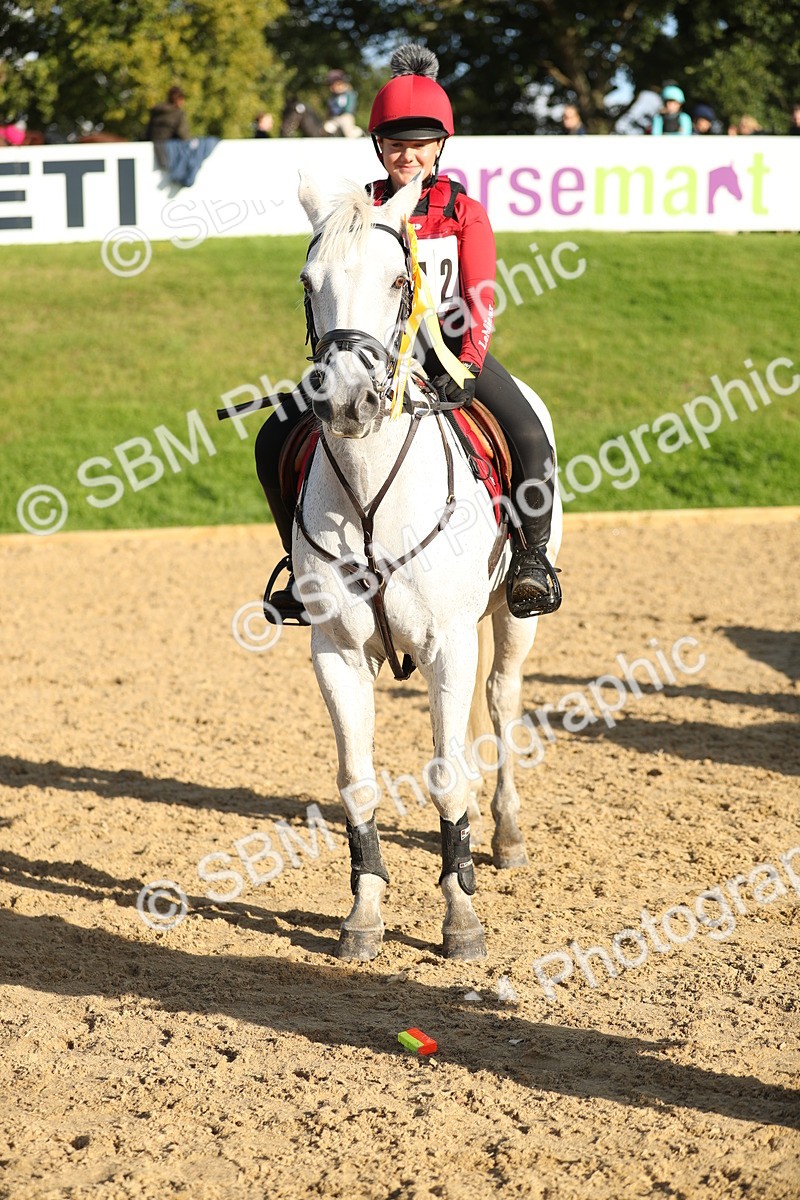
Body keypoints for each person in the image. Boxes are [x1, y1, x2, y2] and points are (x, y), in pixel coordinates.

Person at [255, 44, 561, 622]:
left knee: (528, 434)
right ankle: (301, 568)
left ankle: (532, 559)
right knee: (272, 437)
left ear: (439, 147)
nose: (407, 155)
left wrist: (468, 364)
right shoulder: (359, 210)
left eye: (419, 144)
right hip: (371, 355)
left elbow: (480, 297)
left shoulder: (463, 212)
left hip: (449, 350)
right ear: (379, 146)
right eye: (395, 144)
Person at [323, 69, 362, 138]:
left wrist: (339, 110)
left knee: (348, 132)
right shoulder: (332, 97)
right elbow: (329, 111)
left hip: (345, 117)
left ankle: (360, 133)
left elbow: (349, 109)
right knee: (327, 128)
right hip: (335, 118)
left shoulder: (349, 94)